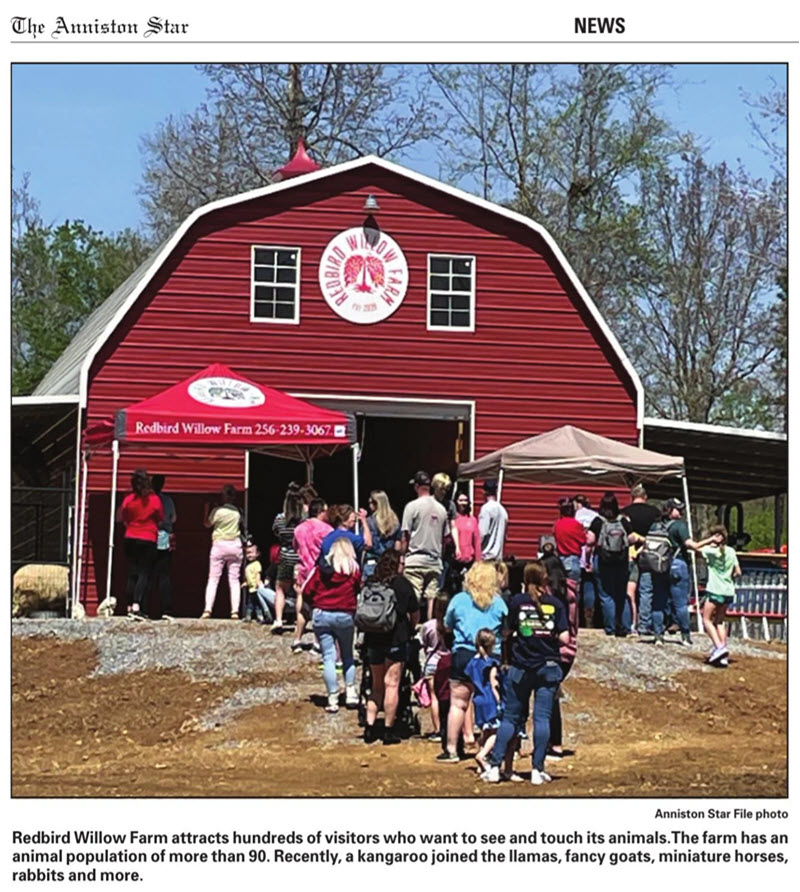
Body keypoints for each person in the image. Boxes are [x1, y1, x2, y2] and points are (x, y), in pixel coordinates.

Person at [482, 562, 570, 785]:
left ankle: (494, 767)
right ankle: (537, 770)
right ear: (545, 580)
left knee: (510, 719)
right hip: (548, 667)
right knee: (542, 719)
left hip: (521, 668)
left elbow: (507, 632)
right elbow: (565, 639)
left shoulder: (517, 603)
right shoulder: (556, 605)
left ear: (525, 580)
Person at [437, 561, 507, 763]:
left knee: (458, 704)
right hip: (490, 657)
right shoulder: (498, 602)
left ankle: (451, 750)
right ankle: (489, 748)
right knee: (492, 704)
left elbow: (448, 625)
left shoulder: (459, 600)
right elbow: (506, 630)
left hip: (463, 654)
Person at [362, 551, 420, 744]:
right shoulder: (402, 584)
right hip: (396, 638)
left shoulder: (371, 582)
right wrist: (412, 628)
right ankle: (388, 729)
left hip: (373, 639)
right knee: (392, 685)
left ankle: (369, 728)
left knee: (376, 686)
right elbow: (414, 612)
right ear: (397, 565)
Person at [306, 537, 361, 713]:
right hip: (345, 615)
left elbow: (307, 591)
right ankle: (351, 692)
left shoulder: (321, 570)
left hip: (322, 614)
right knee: (347, 655)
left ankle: (332, 698)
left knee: (328, 657)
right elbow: (359, 589)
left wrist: (314, 604)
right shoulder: (353, 570)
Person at [649, 497, 700, 646]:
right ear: (670, 510)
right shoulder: (679, 526)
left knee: (658, 603)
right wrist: (703, 547)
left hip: (658, 566)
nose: (682, 512)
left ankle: (658, 636)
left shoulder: (654, 526)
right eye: (679, 509)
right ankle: (685, 636)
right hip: (677, 565)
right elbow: (689, 544)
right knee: (680, 604)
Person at [540, 551, 576, 762]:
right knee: (552, 697)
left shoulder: (550, 596)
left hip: (552, 650)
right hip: (569, 651)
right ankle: (554, 743)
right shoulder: (572, 589)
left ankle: (554, 744)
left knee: (548, 698)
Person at [400, 472, 449, 621]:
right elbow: (445, 539)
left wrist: (402, 559)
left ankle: (412, 631)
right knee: (431, 599)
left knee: (413, 598)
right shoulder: (442, 510)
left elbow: (405, 536)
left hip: (415, 559)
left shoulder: (411, 507)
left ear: (416, 486)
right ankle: (431, 631)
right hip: (434, 560)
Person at [586, 492, 634, 637]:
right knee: (621, 594)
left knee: (606, 595)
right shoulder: (623, 520)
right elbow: (631, 538)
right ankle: (625, 627)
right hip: (621, 561)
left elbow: (589, 541)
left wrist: (589, 559)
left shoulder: (598, 521)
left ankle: (611, 628)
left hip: (603, 560)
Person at [119, 469, 163, 618]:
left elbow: (123, 516)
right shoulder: (154, 499)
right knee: (144, 573)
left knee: (132, 573)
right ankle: (138, 604)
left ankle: (130, 605)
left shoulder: (128, 499)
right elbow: (160, 517)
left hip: (130, 537)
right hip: (148, 537)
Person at [292, 497, 333, 650]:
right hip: (319, 571)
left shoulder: (299, 529)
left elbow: (296, 548)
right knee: (318, 606)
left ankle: (297, 639)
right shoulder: (327, 530)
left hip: (303, 569)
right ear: (321, 511)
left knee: (302, 605)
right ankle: (317, 641)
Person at [698, 525, 741, 666]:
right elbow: (738, 572)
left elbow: (695, 546)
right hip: (728, 590)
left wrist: (708, 540)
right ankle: (722, 654)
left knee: (706, 619)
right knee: (720, 621)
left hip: (715, 589)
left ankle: (719, 647)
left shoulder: (711, 551)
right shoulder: (731, 551)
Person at [622, 483, 661, 635]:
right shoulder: (655, 513)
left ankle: (631, 622)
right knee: (646, 590)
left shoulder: (624, 513)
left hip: (630, 554)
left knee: (629, 590)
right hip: (650, 553)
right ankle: (644, 624)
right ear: (645, 497)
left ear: (632, 497)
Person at [202, 484, 244, 619]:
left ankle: (208, 609)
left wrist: (206, 509)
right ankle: (235, 611)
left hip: (220, 544)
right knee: (234, 580)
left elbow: (207, 524)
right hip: (235, 544)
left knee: (213, 579)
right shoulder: (238, 512)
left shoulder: (217, 511)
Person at [270, 482, 304, 635]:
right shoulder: (303, 520)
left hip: (285, 556)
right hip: (300, 557)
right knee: (299, 591)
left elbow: (276, 532)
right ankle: (299, 620)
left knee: (280, 589)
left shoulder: (280, 519)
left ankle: (278, 620)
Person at [466, 629, 502, 773]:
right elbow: (494, 685)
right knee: (496, 732)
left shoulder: (473, 662)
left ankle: (482, 765)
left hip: (478, 699)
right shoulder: (491, 663)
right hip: (490, 699)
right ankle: (482, 755)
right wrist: (500, 701)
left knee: (485, 731)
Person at [418, 596, 448, 741]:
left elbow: (424, 643)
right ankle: (450, 728)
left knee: (434, 697)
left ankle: (438, 730)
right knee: (450, 697)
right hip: (447, 663)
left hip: (432, 663)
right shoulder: (451, 625)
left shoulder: (428, 625)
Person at [150, 474, 175, 619]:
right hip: (165, 539)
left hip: (150, 538)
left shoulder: (149, 499)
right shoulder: (168, 500)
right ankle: (166, 608)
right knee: (164, 576)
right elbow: (174, 518)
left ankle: (144, 607)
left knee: (146, 575)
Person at [573, 495, 598, 629]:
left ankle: (576, 618)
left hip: (578, 555)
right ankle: (589, 618)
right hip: (591, 556)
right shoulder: (595, 516)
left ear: (577, 504)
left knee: (575, 588)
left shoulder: (575, 517)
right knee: (589, 587)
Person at [363, 490, 401, 579]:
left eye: (370, 502)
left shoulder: (369, 522)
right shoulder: (395, 522)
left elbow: (366, 543)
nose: (369, 505)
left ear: (376, 503)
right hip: (389, 563)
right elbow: (398, 546)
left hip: (372, 562)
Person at [553, 496, 585, 591]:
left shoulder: (557, 524)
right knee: (573, 593)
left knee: (561, 591)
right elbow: (583, 540)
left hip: (560, 560)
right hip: (573, 559)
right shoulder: (576, 524)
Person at [452, 491, 482, 591]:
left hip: (469, 562)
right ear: (456, 502)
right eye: (460, 500)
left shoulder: (472, 520)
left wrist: (478, 561)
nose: (463, 503)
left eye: (465, 500)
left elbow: (477, 541)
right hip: (455, 562)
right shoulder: (453, 519)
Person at [478, 479, 508, 562]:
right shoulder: (503, 510)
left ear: (483, 492)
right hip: (498, 557)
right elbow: (505, 535)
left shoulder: (486, 509)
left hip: (487, 557)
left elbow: (482, 533)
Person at [242, 541, 270, 623]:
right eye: (247, 553)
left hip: (256, 588)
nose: (249, 555)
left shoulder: (257, 564)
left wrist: (258, 582)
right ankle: (248, 616)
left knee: (257, 604)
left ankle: (260, 616)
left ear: (257, 554)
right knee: (250, 603)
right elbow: (249, 577)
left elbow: (257, 574)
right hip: (251, 589)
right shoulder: (248, 566)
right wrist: (246, 583)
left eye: (251, 553)